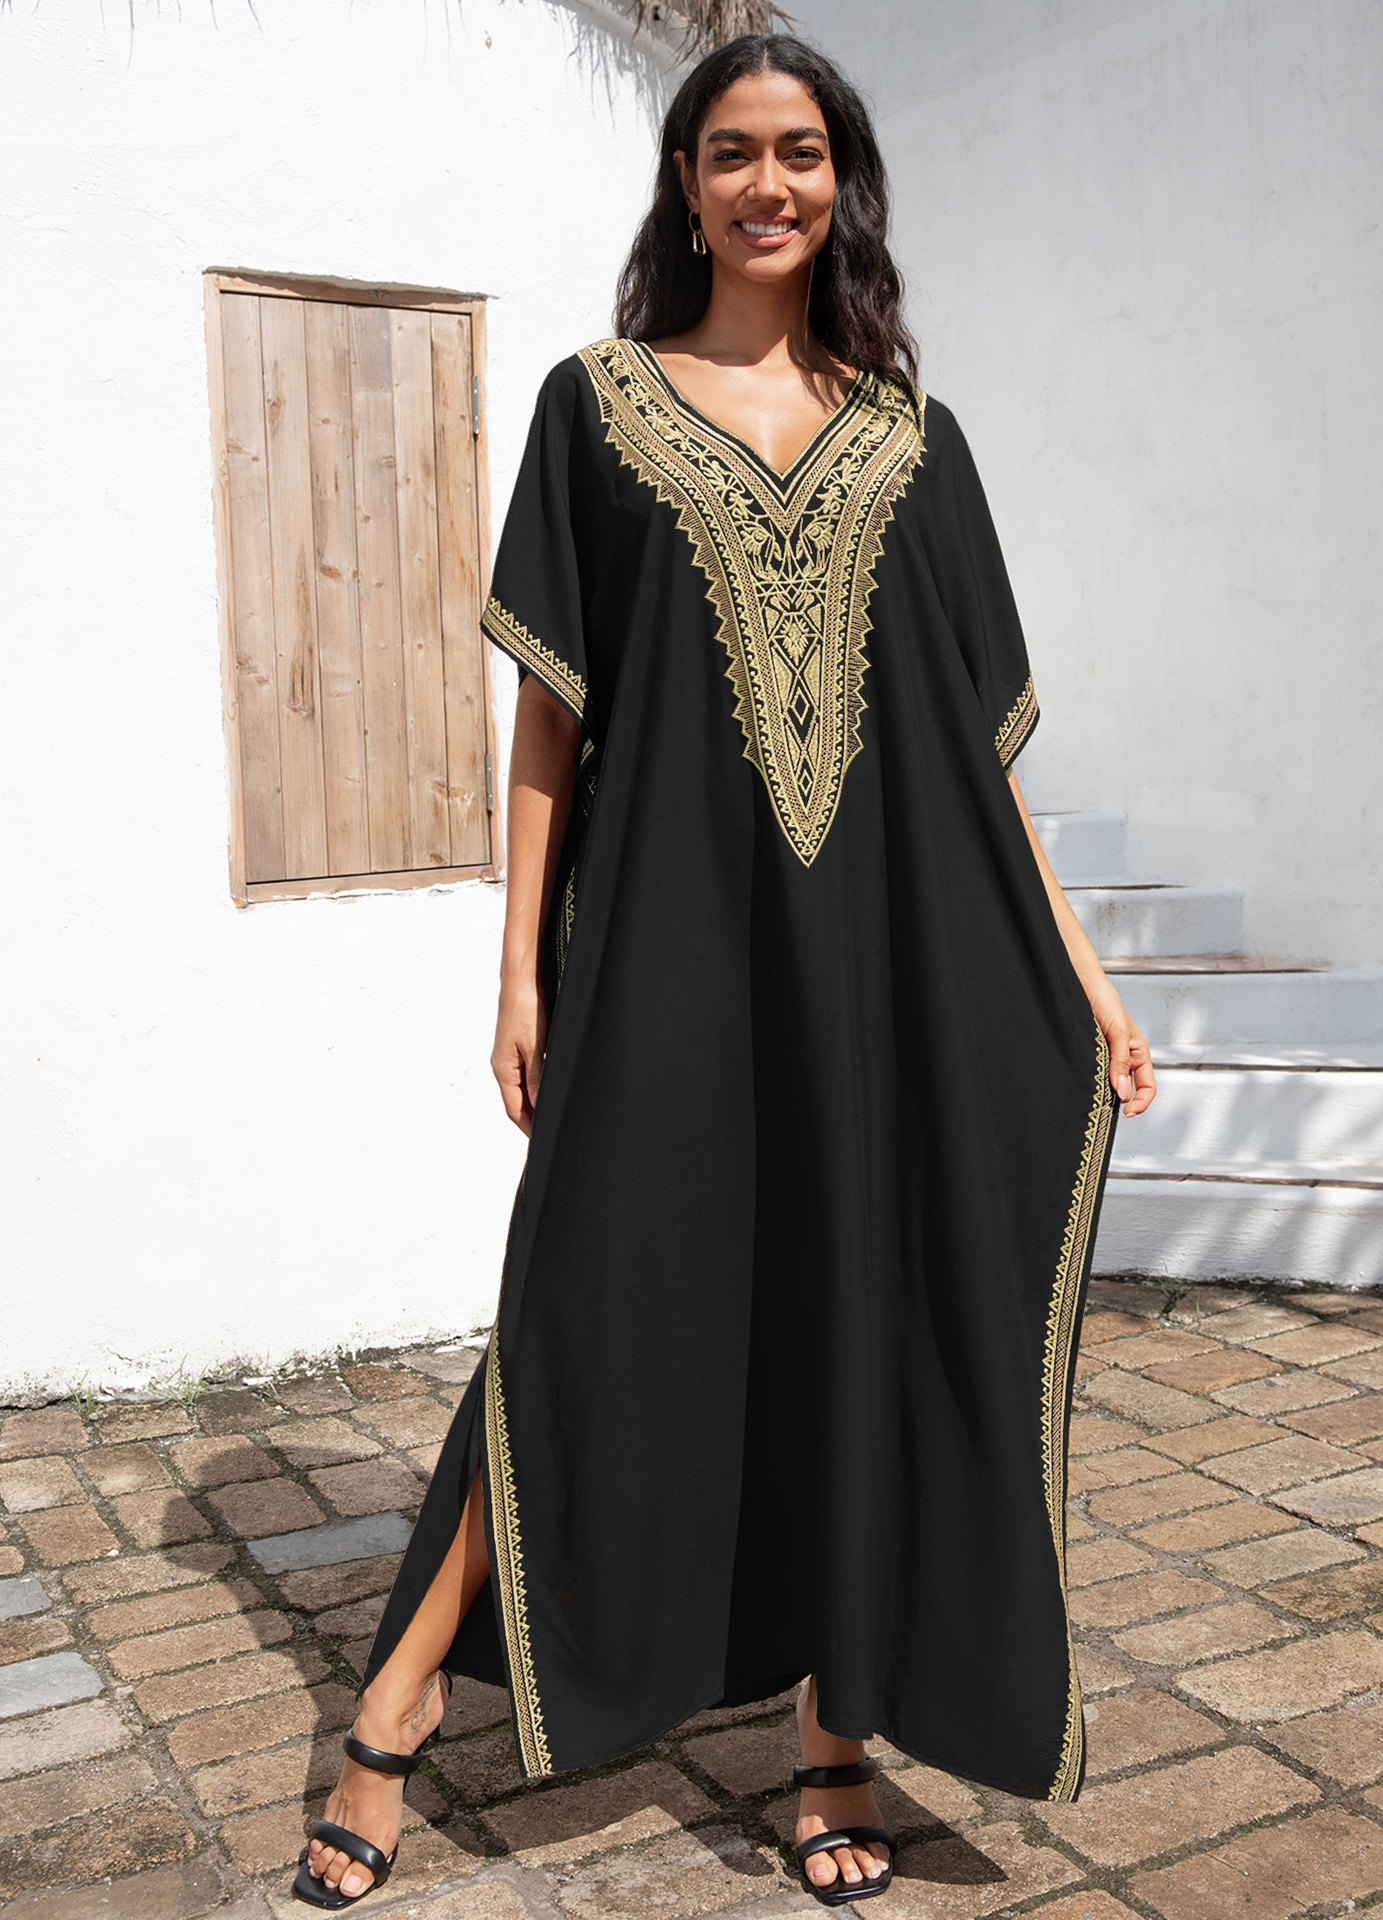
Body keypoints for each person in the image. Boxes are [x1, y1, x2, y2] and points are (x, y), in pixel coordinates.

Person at [293, 30, 1156, 1913]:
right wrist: (517, 973)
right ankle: (403, 1696)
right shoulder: (596, 407)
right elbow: (552, 716)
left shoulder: (913, 440)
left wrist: (1079, 965)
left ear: (843, 183)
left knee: (862, 1298)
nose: (772, 183)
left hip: (896, 955)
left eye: (805, 152)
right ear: (685, 185)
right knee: (586, 1299)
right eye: (736, 152)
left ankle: (835, 1741)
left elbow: (973, 748)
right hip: (668, 947)